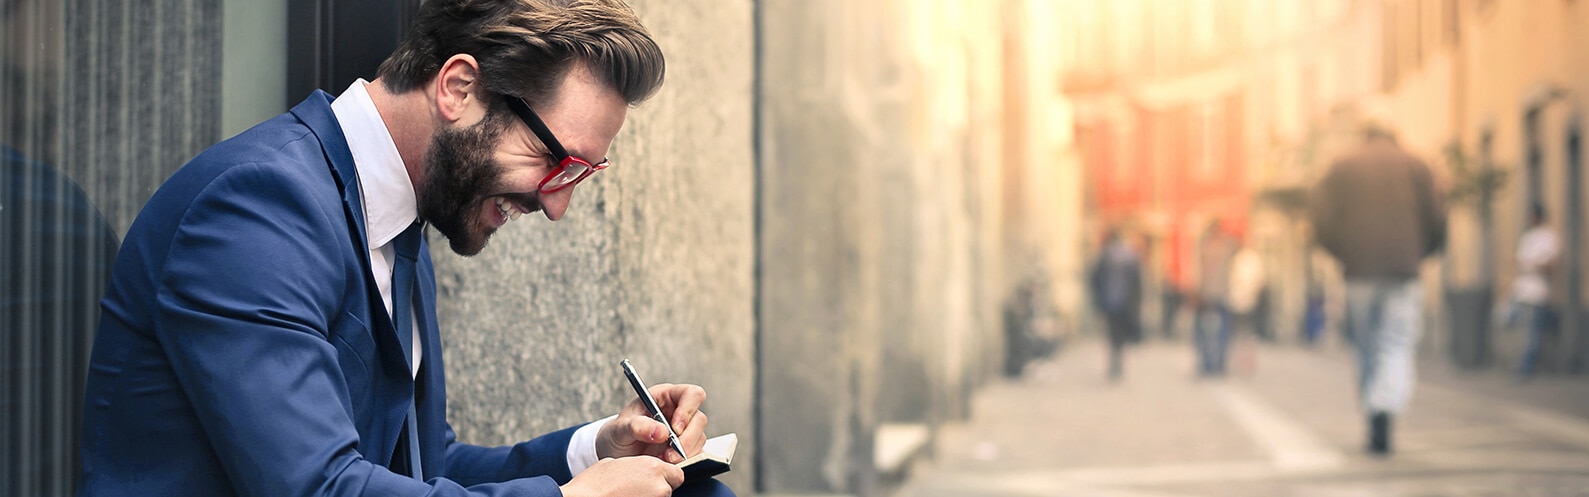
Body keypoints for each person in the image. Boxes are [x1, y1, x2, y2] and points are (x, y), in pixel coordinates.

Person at [77, 1, 734, 496]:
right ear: (456, 88)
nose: (556, 204)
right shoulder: (257, 207)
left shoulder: (398, 215)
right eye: (555, 161)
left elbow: (420, 465)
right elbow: (321, 486)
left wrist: (597, 451)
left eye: (581, 176)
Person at [1310, 122, 1445, 456]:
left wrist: (1343, 252)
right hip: (1403, 271)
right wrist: (1419, 252)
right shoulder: (1416, 165)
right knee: (1396, 343)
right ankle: (1385, 404)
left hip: (1358, 272)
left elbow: (1321, 220)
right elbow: (1438, 219)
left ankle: (1373, 412)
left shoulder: (1342, 166)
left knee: (1366, 346)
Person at [1512, 202, 1559, 379]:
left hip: (1538, 294)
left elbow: (1550, 267)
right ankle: (1524, 365)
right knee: (1519, 329)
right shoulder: (1527, 237)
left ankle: (1526, 369)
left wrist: (1531, 265)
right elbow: (1518, 263)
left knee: (1534, 334)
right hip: (1521, 293)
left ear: (1538, 216)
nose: (1528, 219)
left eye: (1531, 215)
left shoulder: (1549, 237)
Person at [1089, 228, 1143, 380]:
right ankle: (1118, 361)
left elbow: (1095, 279)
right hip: (1126, 303)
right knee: (1121, 335)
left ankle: (1114, 362)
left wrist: (1098, 301)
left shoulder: (1105, 257)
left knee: (1112, 334)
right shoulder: (1129, 257)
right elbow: (1137, 283)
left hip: (1109, 302)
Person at [1193, 219, 1236, 377]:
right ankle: (1218, 363)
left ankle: (1207, 363)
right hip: (1222, 294)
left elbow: (1199, 272)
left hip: (1207, 295)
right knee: (1222, 331)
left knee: (1203, 331)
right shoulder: (1228, 246)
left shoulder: (1204, 246)